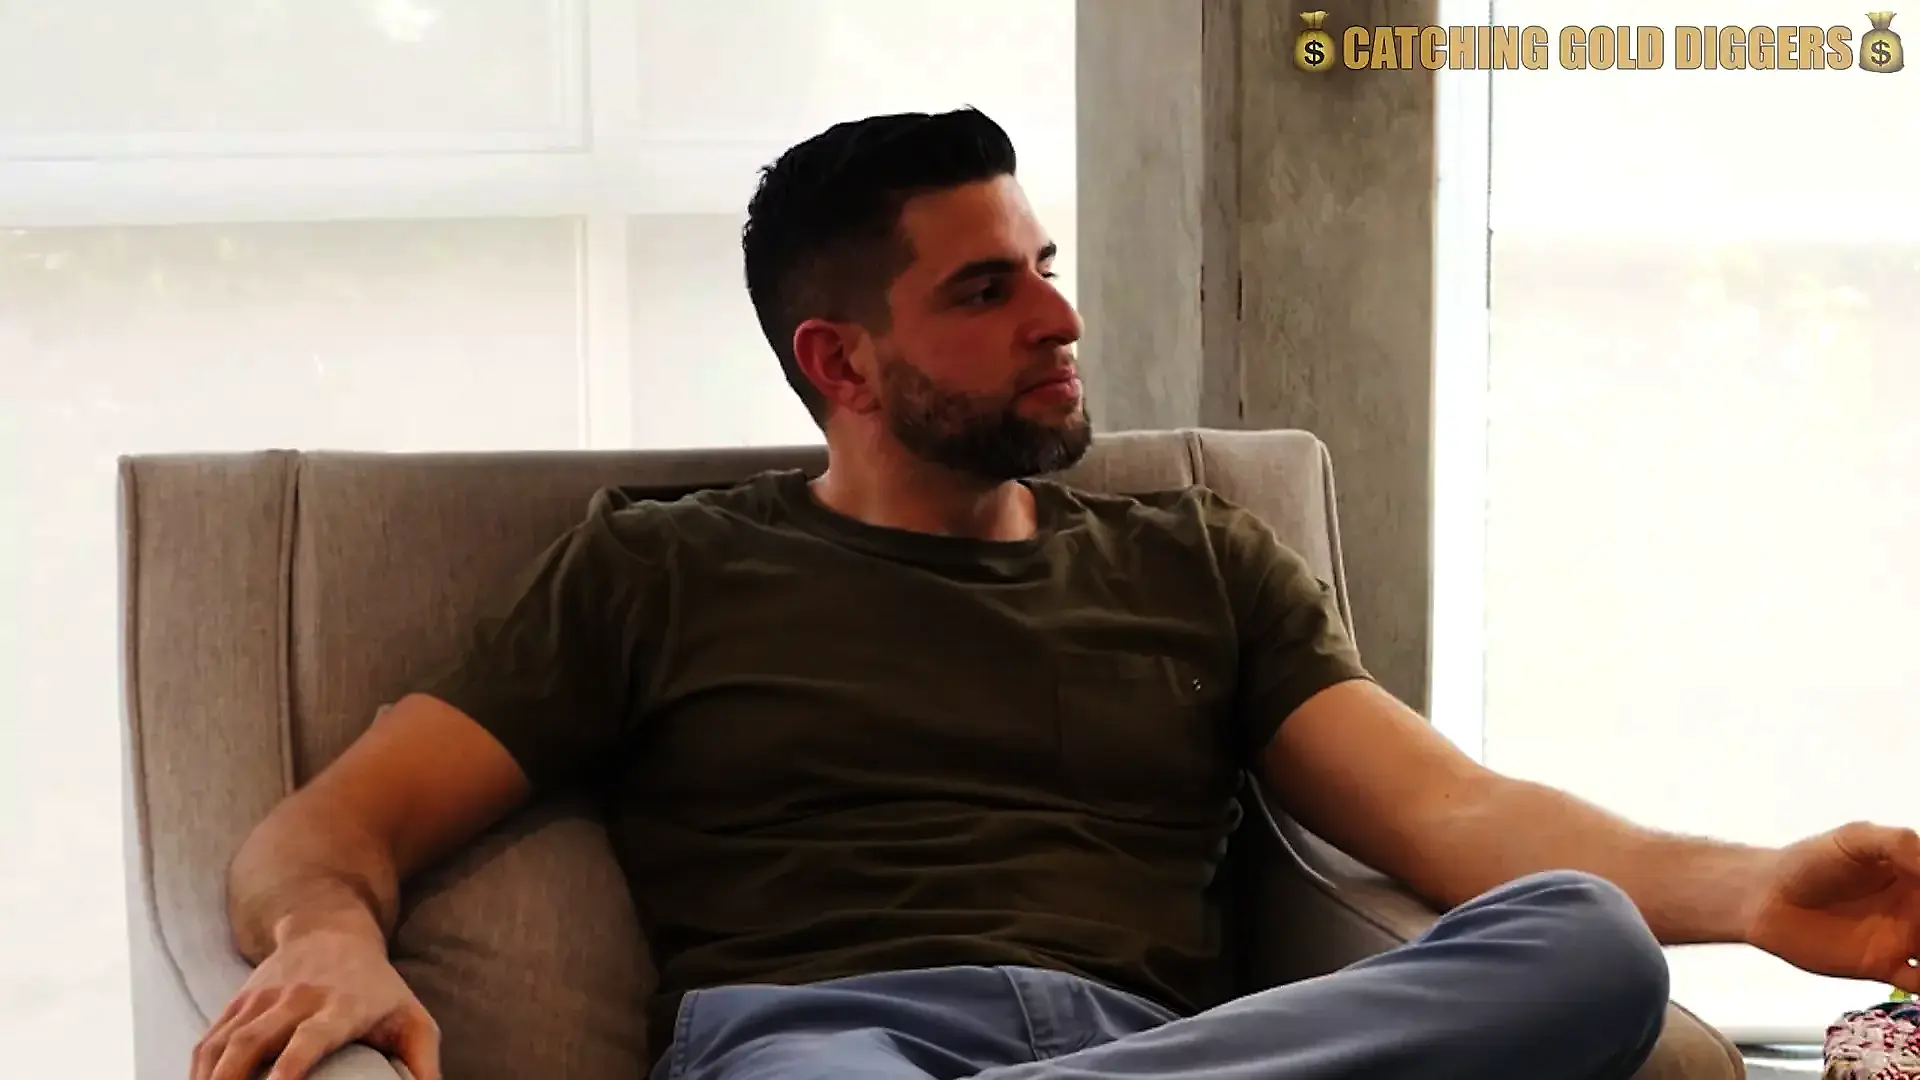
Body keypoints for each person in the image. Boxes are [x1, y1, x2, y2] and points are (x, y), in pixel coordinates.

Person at [192, 108, 1920, 1080]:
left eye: (1047, 268)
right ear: (840, 361)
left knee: (1581, 942)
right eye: (985, 292)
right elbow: (325, 832)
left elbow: (1453, 813)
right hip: (823, 1047)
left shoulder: (1195, 559)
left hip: (1169, 1042)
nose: (1059, 318)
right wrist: (328, 931)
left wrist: (1756, 888)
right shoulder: (663, 564)